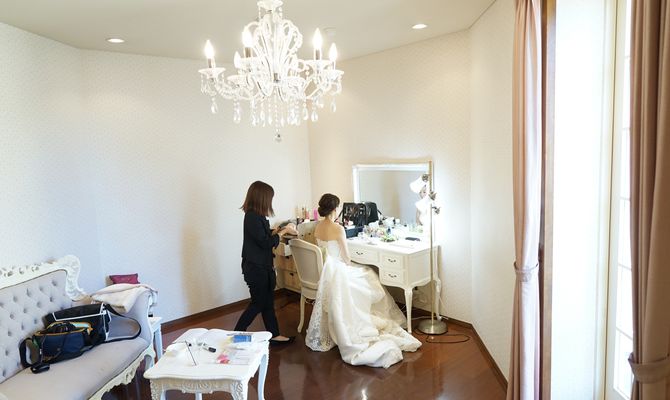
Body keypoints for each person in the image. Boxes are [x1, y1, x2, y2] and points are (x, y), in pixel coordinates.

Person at [305, 193, 421, 367]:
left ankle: (362, 314)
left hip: (326, 273)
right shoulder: (338, 229)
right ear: (335, 209)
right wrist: (352, 265)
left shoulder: (318, 227)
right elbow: (346, 258)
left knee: (365, 273)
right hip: (338, 270)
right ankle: (365, 316)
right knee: (369, 274)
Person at [234, 181, 298, 345]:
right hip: (255, 268)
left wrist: (277, 230)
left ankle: (274, 335)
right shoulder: (252, 217)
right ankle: (236, 334)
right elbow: (265, 243)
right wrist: (284, 231)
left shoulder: (257, 216)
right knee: (258, 303)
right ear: (262, 198)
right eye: (269, 198)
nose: (270, 201)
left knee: (267, 303)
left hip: (262, 266)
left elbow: (262, 235)